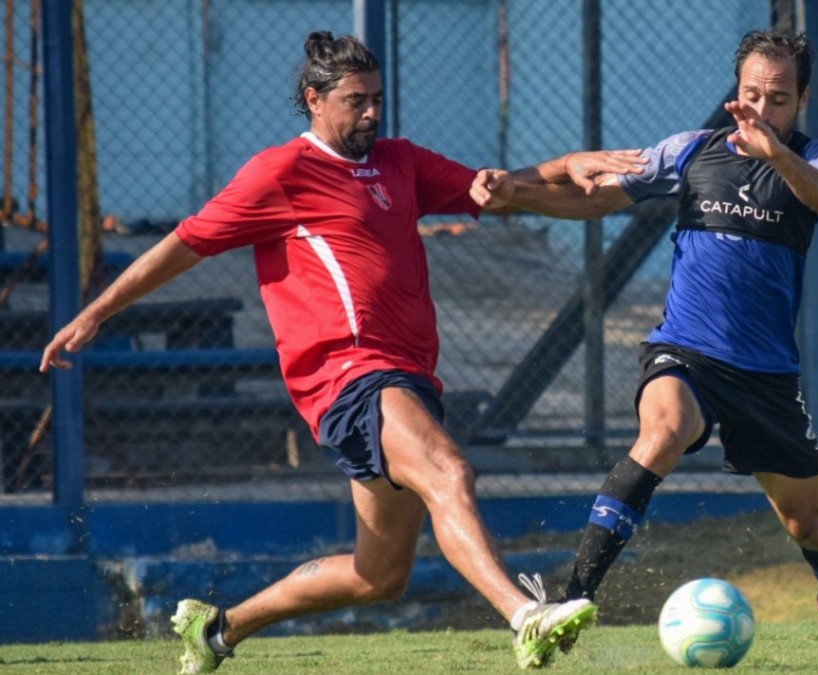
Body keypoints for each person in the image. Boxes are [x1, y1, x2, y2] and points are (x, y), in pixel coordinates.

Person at [39, 32, 642, 674]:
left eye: (378, 99)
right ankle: (525, 618)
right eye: (357, 101)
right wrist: (97, 312)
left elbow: (496, 189)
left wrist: (568, 165)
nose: (373, 114)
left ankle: (217, 631)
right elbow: (186, 244)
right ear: (314, 100)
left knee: (377, 577)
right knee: (450, 472)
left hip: (406, 376)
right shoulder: (280, 173)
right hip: (346, 375)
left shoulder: (398, 162)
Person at [474, 30, 818, 662]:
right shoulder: (690, 152)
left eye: (778, 98)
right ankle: (570, 600)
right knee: (664, 430)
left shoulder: (814, 160)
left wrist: (775, 152)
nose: (763, 107)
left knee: (808, 523)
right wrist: (517, 194)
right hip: (686, 349)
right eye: (752, 93)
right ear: (734, 94)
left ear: (802, 99)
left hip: (767, 373)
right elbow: (595, 197)